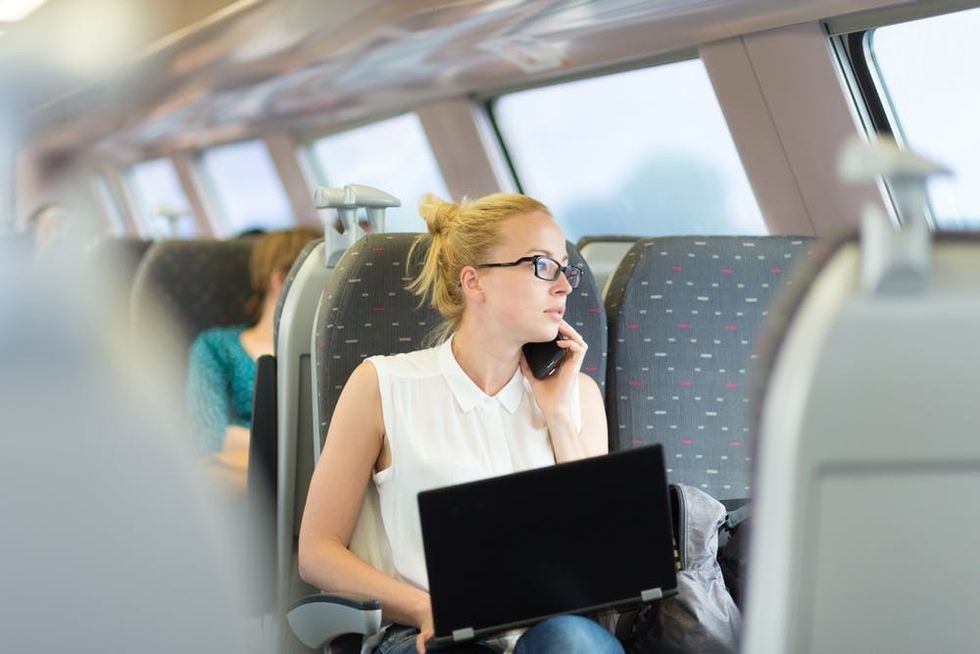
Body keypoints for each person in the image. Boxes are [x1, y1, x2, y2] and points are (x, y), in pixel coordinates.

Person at [298, 194, 623, 654]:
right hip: (423, 632)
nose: (565, 287)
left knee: (574, 642)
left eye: (565, 269)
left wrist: (559, 419)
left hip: (548, 631)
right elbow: (317, 553)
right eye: (542, 266)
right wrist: (424, 609)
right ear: (475, 282)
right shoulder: (382, 385)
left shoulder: (578, 396)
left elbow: (597, 563)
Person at [186, 227, 320, 471]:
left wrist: (241, 438)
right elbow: (208, 437)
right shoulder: (216, 347)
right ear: (280, 280)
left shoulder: (327, 351)